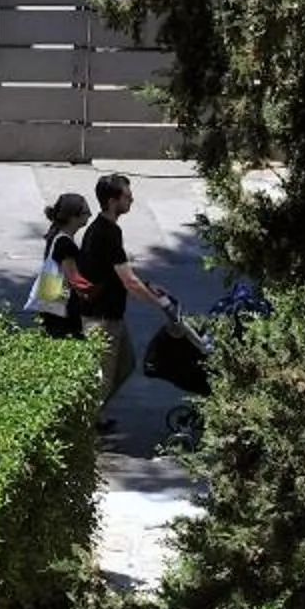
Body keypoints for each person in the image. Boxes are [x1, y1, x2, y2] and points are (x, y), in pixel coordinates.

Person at [87, 172, 176, 433]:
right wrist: (160, 304)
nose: (132, 200)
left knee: (124, 365)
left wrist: (149, 286)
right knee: (100, 377)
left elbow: (119, 272)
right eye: (127, 196)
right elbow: (128, 281)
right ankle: (87, 429)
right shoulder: (106, 232)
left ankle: (95, 416)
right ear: (113, 201)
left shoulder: (107, 229)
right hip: (101, 317)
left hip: (111, 314)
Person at [36, 192, 103, 341]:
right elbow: (75, 279)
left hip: (50, 305)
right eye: (86, 212)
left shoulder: (56, 234)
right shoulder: (65, 244)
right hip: (62, 312)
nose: (90, 215)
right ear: (73, 217)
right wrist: (99, 290)